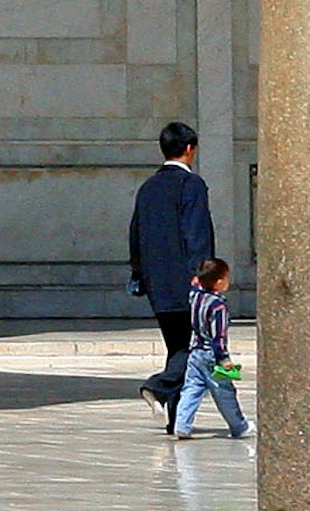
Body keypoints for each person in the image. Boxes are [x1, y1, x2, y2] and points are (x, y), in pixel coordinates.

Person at [125, 120, 215, 422]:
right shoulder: (191, 185)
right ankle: (158, 387)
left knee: (177, 347)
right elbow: (196, 232)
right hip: (187, 282)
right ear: (190, 149)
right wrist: (203, 273)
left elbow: (135, 234)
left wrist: (139, 273)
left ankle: (177, 418)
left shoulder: (148, 187)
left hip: (156, 284)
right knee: (197, 347)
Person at [168, 256, 248, 440]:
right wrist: (224, 358)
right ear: (219, 282)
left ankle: (182, 425)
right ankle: (239, 426)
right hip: (212, 355)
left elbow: (195, 284)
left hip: (195, 352)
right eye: (227, 278)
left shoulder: (195, 297)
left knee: (191, 389)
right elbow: (218, 336)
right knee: (225, 391)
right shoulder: (218, 306)